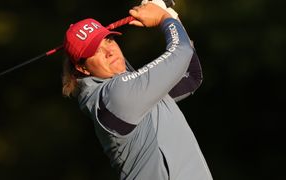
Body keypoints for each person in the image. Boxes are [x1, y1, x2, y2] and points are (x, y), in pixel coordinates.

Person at [62, 1, 212, 180]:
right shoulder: (113, 96)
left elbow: (189, 76)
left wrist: (172, 16)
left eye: (108, 40)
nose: (109, 51)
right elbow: (181, 53)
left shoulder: (135, 89)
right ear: (83, 69)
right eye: (95, 51)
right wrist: (164, 18)